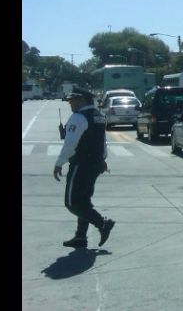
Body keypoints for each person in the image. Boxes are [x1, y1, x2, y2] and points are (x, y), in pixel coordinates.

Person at [53, 87, 115, 248]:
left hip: (81, 163)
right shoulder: (99, 116)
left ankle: (102, 223)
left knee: (72, 202)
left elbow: (70, 143)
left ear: (82, 100)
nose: (70, 104)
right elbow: (103, 141)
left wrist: (59, 163)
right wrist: (102, 159)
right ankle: (81, 237)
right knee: (84, 201)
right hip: (95, 164)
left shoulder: (78, 117)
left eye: (72, 100)